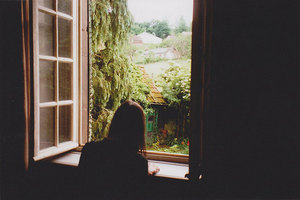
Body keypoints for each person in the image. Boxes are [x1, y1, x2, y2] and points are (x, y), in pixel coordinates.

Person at [78, 100, 156, 200]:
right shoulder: (137, 163)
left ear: (115, 123)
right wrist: (143, 169)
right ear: (138, 131)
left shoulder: (89, 150)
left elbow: (80, 188)